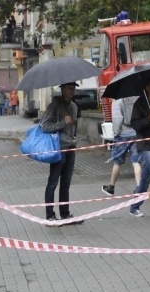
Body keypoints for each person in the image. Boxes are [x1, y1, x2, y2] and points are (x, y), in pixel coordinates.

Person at [40, 82, 83, 223]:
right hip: (58, 149)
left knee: (66, 183)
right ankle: (50, 215)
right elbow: (44, 126)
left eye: (74, 89)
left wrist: (73, 128)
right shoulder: (54, 106)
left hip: (70, 148)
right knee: (53, 182)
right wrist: (62, 123)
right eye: (69, 89)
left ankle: (65, 214)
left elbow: (73, 129)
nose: (72, 92)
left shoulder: (74, 107)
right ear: (63, 88)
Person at [102, 96, 143, 202]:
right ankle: (139, 188)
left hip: (122, 135)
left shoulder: (118, 102)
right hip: (136, 133)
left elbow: (117, 120)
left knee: (117, 162)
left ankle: (111, 188)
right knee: (136, 161)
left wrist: (115, 134)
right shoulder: (136, 99)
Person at [128, 80, 150, 217]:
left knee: (145, 179)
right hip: (145, 144)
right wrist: (148, 119)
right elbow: (135, 124)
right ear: (147, 88)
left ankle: (134, 206)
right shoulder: (140, 104)